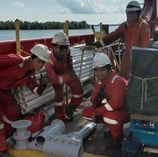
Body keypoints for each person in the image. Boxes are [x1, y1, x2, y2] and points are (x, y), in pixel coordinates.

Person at [0, 43, 52, 151]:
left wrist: (42, 86)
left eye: (43, 63)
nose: (40, 66)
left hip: (4, 92)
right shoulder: (16, 60)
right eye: (38, 61)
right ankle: (1, 146)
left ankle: (8, 137)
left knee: (13, 112)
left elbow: (35, 91)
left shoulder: (30, 75)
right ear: (31, 57)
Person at [82, 53, 130, 156]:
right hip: (112, 109)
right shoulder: (101, 81)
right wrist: (97, 96)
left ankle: (117, 139)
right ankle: (112, 128)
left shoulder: (117, 82)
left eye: (102, 70)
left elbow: (115, 104)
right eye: (97, 70)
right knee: (86, 113)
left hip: (125, 111)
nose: (99, 74)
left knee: (109, 117)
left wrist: (98, 111)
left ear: (109, 69)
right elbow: (93, 101)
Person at [96, 0, 150, 80]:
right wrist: (96, 44)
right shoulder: (124, 26)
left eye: (133, 12)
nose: (130, 15)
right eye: (128, 13)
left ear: (138, 13)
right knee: (123, 81)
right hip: (126, 60)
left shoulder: (144, 26)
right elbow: (112, 36)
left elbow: (144, 49)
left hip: (138, 61)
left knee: (136, 83)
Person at [45, 32, 83, 121]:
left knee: (79, 91)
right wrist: (68, 77)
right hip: (57, 77)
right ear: (54, 47)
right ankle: (61, 117)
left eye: (66, 47)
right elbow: (54, 80)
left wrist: (73, 77)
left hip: (67, 72)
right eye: (61, 47)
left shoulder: (67, 52)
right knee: (59, 97)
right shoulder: (48, 62)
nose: (64, 50)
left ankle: (70, 109)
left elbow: (70, 63)